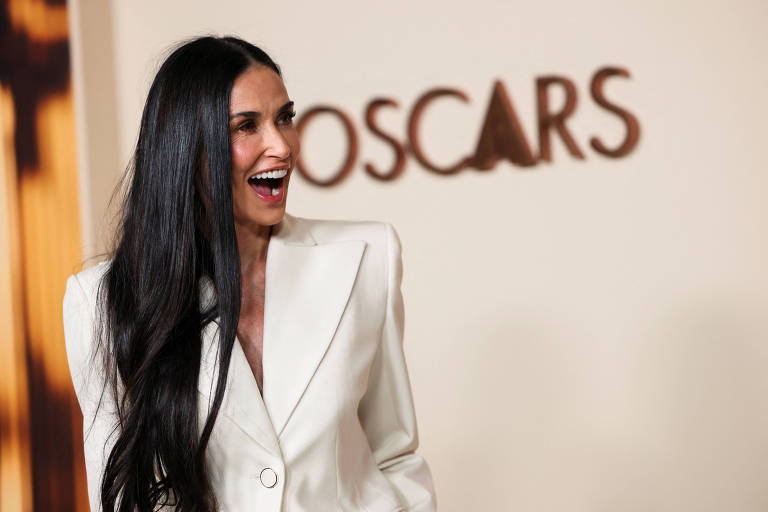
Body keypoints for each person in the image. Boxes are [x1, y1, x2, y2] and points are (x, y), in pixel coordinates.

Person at [62, 36, 437, 512]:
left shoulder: (367, 259)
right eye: (246, 126)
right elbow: (117, 498)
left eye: (285, 117)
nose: (281, 146)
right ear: (187, 149)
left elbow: (394, 453)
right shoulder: (101, 301)